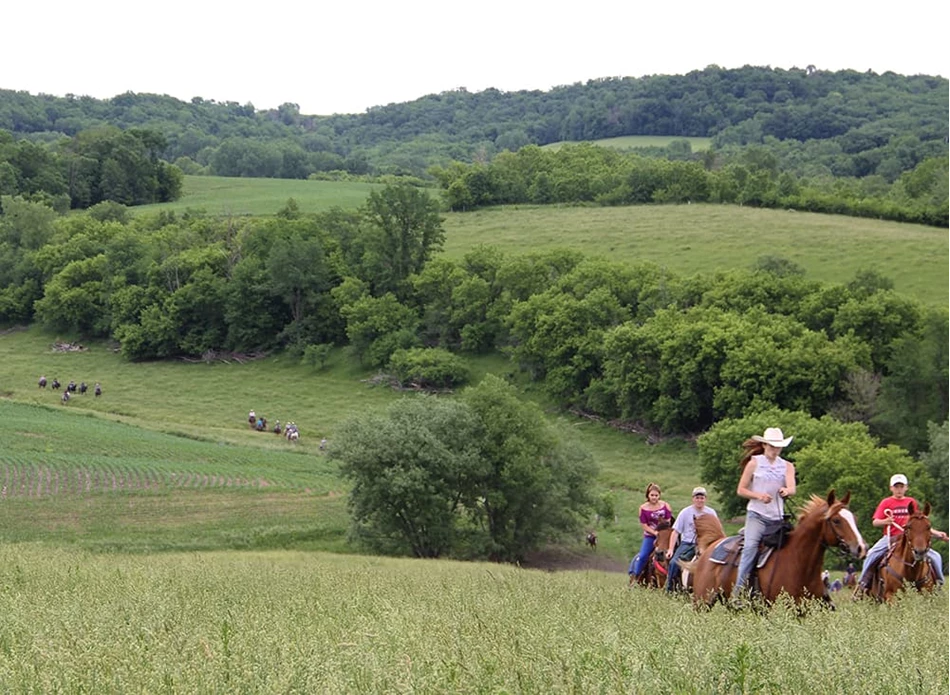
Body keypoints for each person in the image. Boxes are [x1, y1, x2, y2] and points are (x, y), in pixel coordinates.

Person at [730, 427, 796, 602]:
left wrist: (786, 491)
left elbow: (792, 487)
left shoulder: (787, 466)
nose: (776, 450)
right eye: (773, 446)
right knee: (750, 548)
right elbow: (741, 489)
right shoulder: (754, 463)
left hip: (778, 517)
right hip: (757, 514)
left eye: (778, 447)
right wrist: (758, 496)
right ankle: (738, 592)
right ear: (765, 445)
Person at [856, 473, 949, 590]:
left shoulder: (911, 502)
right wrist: (885, 521)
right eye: (896, 487)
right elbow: (875, 522)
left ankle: (939, 584)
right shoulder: (886, 502)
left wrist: (937, 533)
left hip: (909, 537)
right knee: (872, 554)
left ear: (906, 488)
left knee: (936, 557)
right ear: (891, 488)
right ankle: (862, 585)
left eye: (901, 486)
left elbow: (918, 524)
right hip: (891, 537)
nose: (899, 490)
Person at [665, 486, 718, 593]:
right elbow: (675, 532)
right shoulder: (685, 512)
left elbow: (717, 531)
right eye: (697, 497)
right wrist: (671, 549)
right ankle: (670, 589)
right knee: (674, 563)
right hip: (688, 543)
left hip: (707, 544)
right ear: (693, 499)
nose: (699, 500)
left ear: (705, 499)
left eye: (702, 498)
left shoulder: (711, 513)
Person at [628, 483, 673, 584]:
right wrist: (655, 533)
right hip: (650, 536)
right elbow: (644, 525)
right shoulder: (643, 508)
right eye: (652, 495)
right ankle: (636, 577)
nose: (654, 497)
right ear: (648, 495)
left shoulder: (665, 506)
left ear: (659, 495)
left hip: (665, 536)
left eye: (656, 495)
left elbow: (668, 520)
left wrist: (662, 532)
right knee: (643, 556)